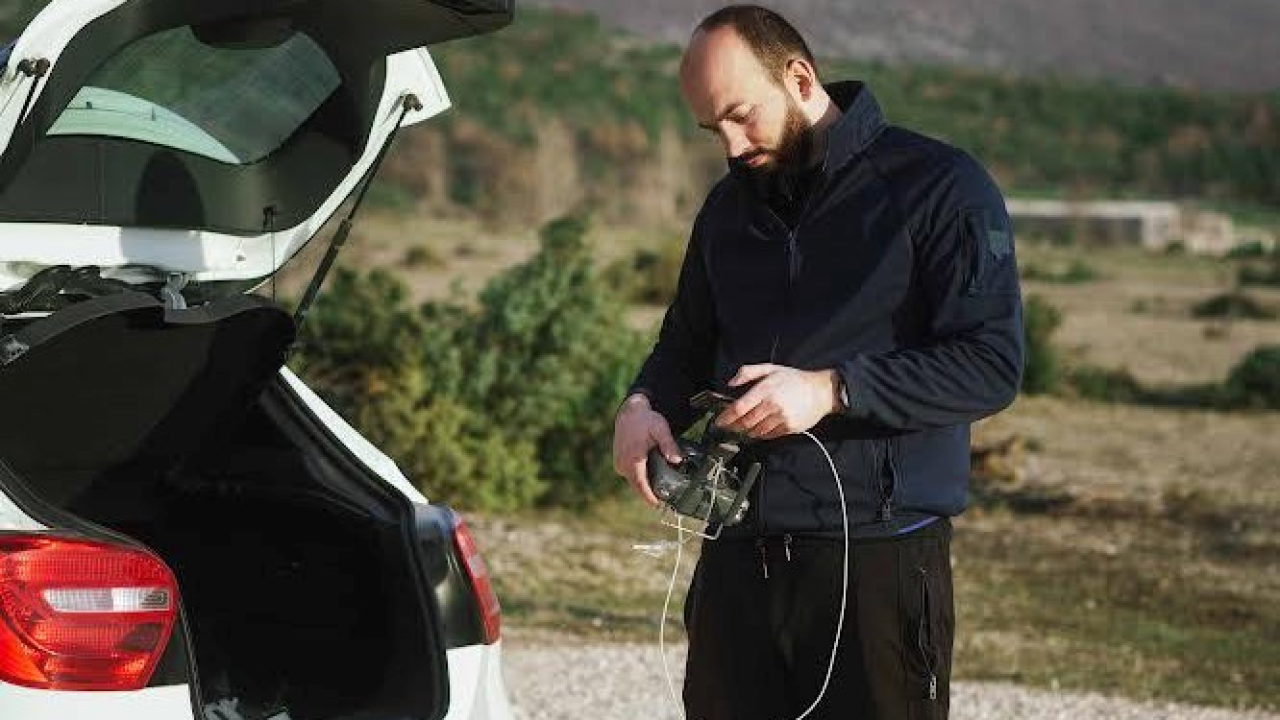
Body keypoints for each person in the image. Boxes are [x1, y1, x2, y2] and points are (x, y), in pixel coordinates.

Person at [611, 5, 1025, 720]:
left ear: (799, 77)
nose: (733, 148)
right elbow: (683, 343)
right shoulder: (725, 210)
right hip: (738, 555)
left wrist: (833, 390)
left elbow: (990, 363)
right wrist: (644, 405)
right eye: (715, 130)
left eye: (742, 117)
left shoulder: (940, 187)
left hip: (877, 561)